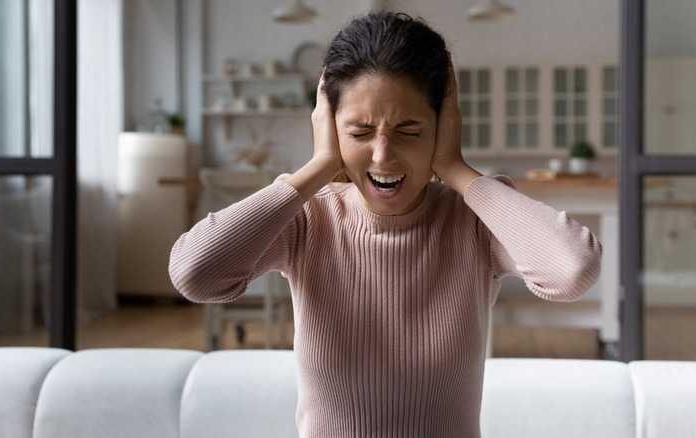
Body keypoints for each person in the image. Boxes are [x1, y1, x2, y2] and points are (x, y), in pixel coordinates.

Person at [169, 10, 602, 437]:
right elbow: (193, 274)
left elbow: (573, 270)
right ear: (329, 129)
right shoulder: (309, 218)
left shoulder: (471, 221)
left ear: (443, 126)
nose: (382, 155)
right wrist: (319, 167)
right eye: (359, 133)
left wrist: (456, 168)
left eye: (409, 130)